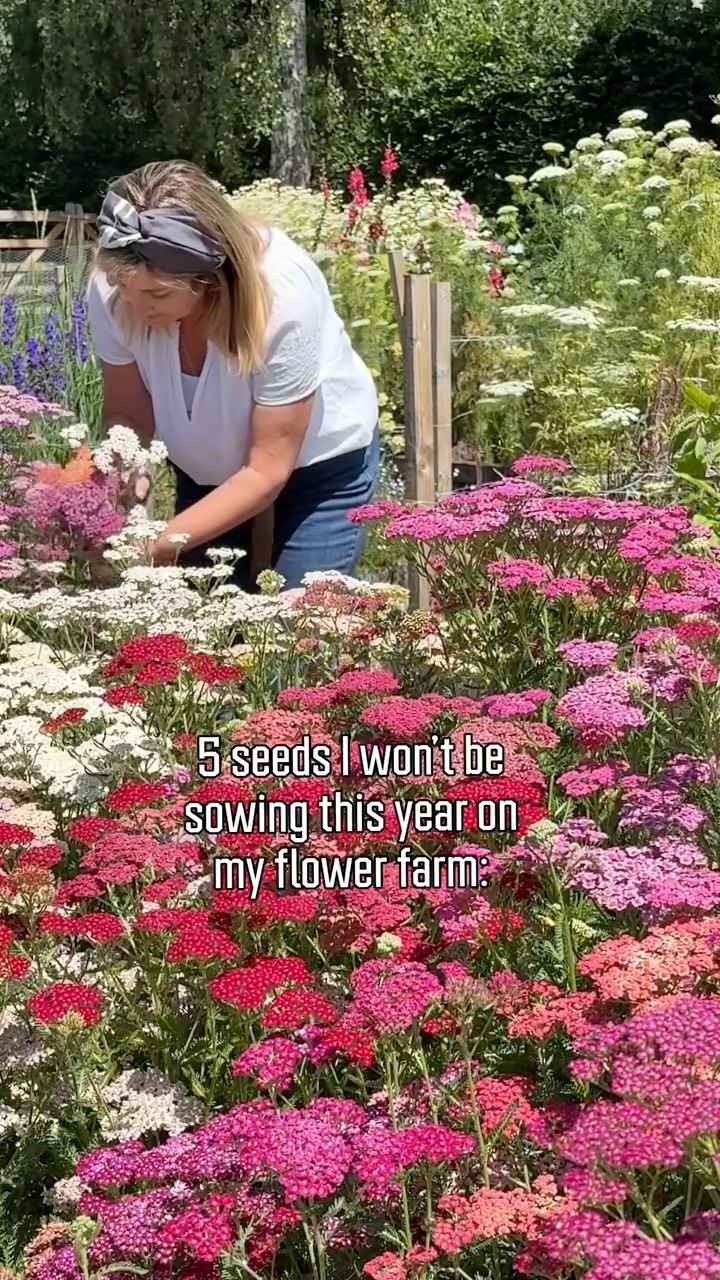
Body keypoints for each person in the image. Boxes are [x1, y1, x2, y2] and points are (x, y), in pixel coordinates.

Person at [87, 159, 380, 589]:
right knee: (208, 636)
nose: (135, 304)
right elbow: (128, 415)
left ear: (209, 277)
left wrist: (156, 546)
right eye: (125, 288)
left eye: (157, 293)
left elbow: (265, 471)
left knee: (297, 637)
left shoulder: (281, 298)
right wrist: (127, 472)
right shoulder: (116, 288)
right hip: (206, 473)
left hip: (317, 474)